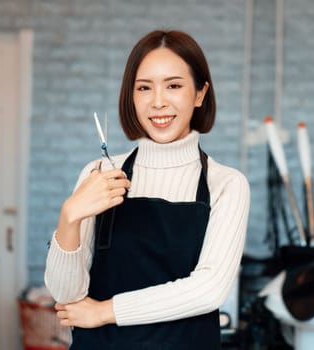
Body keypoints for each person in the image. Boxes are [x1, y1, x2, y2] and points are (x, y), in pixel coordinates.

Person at [44, 29, 250, 349]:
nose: (157, 102)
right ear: (131, 96)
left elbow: (209, 290)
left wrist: (104, 312)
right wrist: (69, 216)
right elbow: (67, 297)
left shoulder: (226, 184)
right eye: (144, 87)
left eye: (174, 86)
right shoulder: (98, 175)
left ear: (200, 94)